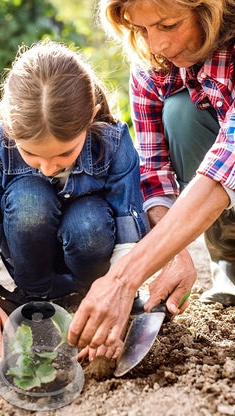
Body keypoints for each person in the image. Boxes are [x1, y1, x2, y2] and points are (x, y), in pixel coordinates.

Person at [0, 41, 150, 367]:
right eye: (31, 154)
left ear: (90, 118)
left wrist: (116, 290)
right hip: (32, 265)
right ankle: (35, 299)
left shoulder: (113, 143)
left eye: (64, 153)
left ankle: (89, 296)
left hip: (93, 260)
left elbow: (127, 230)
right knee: (28, 199)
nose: (49, 167)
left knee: (88, 222)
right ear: (9, 126)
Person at [67, 0, 235, 356]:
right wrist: (172, 253)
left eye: (169, 25)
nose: (156, 45)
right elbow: (154, 172)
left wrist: (123, 278)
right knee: (181, 113)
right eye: (143, 30)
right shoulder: (153, 62)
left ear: (210, 10)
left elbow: (226, 162)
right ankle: (231, 261)